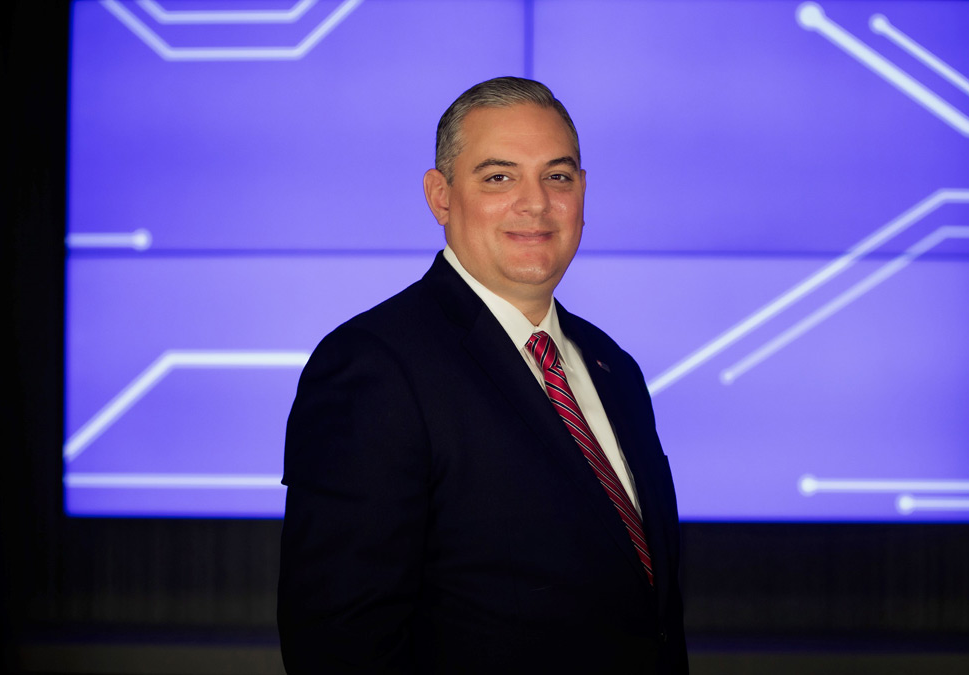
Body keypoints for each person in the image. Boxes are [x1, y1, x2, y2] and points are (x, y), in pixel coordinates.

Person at [278, 76, 687, 674]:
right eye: (499, 177)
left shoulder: (612, 367)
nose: (536, 203)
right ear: (440, 196)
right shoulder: (373, 366)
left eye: (558, 176)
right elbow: (339, 644)